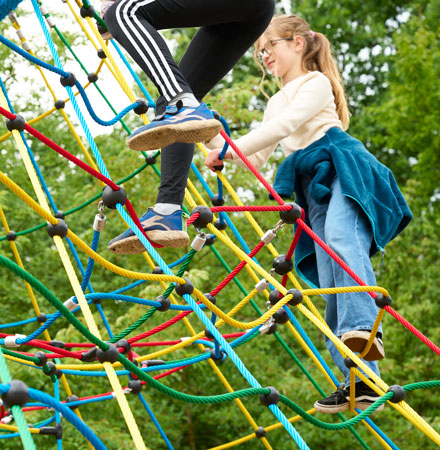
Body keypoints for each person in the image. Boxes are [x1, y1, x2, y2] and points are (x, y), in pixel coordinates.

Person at [204, 15, 412, 413]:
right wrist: (210, 131)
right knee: (330, 273)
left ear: (298, 43)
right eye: (260, 51)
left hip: (342, 171)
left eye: (271, 47)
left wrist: (230, 149)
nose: (264, 56)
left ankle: (365, 331)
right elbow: (259, 155)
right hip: (310, 185)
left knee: (340, 239)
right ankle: (361, 379)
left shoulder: (316, 83)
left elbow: (288, 124)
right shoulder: (274, 100)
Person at [102, 0, 275, 254]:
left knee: (123, 12)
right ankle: (167, 211)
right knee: (169, 101)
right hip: (249, 12)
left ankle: (184, 104)